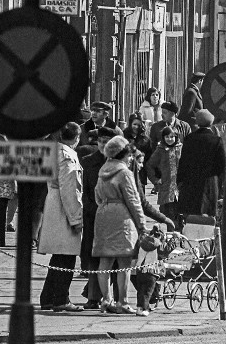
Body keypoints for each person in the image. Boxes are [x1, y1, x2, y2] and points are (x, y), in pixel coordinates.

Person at [92, 135, 146, 315]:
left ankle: (106, 299)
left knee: (105, 260)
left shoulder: (103, 170)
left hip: (104, 212)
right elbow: (133, 199)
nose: (131, 158)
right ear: (123, 154)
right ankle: (123, 301)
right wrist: (142, 224)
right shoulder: (124, 173)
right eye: (129, 155)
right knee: (124, 260)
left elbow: (97, 196)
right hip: (122, 215)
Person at [38, 122, 84, 312]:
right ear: (77, 138)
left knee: (58, 256)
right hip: (63, 208)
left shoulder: (53, 151)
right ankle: (60, 298)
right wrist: (76, 218)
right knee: (66, 256)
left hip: (53, 202)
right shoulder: (67, 156)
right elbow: (69, 189)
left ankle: (48, 297)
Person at [79, 126, 118, 309]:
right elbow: (83, 191)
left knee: (118, 259)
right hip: (93, 216)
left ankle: (118, 297)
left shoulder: (122, 163)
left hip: (116, 217)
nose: (103, 145)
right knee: (95, 258)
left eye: (107, 142)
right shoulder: (88, 162)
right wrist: (91, 209)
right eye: (100, 141)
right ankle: (93, 297)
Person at [177, 110, 226, 217]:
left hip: (190, 182)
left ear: (197, 122)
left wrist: (180, 181)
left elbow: (183, 162)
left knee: (191, 216)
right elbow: (221, 166)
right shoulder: (216, 140)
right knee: (207, 217)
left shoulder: (189, 139)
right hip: (209, 183)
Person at [146, 126, 181, 206]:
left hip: (179, 186)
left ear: (176, 137)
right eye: (167, 137)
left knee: (180, 212)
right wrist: (155, 180)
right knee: (166, 211)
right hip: (166, 186)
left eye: (172, 137)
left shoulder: (180, 148)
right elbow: (150, 165)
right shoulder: (160, 150)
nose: (169, 139)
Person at [124, 112, 154, 193]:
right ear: (130, 124)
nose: (136, 127)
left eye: (139, 125)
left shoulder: (146, 139)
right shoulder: (123, 136)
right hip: (126, 173)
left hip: (140, 174)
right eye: (134, 124)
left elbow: (149, 158)